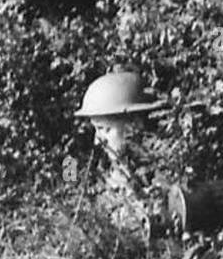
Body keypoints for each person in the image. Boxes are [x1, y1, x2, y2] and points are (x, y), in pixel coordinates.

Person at [73, 70, 172, 241]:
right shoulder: (107, 170)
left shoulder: (165, 174)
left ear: (135, 125)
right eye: (96, 130)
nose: (98, 141)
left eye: (105, 130)